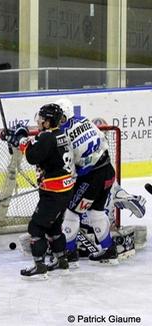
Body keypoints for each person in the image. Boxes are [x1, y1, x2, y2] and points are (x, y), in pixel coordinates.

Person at [55, 98, 146, 266]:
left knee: (71, 212)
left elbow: (70, 166)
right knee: (96, 212)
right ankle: (109, 250)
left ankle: (69, 253)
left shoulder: (63, 135)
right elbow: (103, 140)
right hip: (108, 171)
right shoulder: (83, 120)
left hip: (91, 178)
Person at [2, 104, 74, 279]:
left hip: (53, 194)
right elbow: (41, 148)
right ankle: (61, 260)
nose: (39, 121)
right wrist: (23, 141)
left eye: (41, 119)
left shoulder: (47, 138)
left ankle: (39, 265)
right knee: (54, 226)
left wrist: (20, 141)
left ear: (48, 122)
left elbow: (33, 156)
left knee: (36, 227)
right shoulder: (60, 134)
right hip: (65, 190)